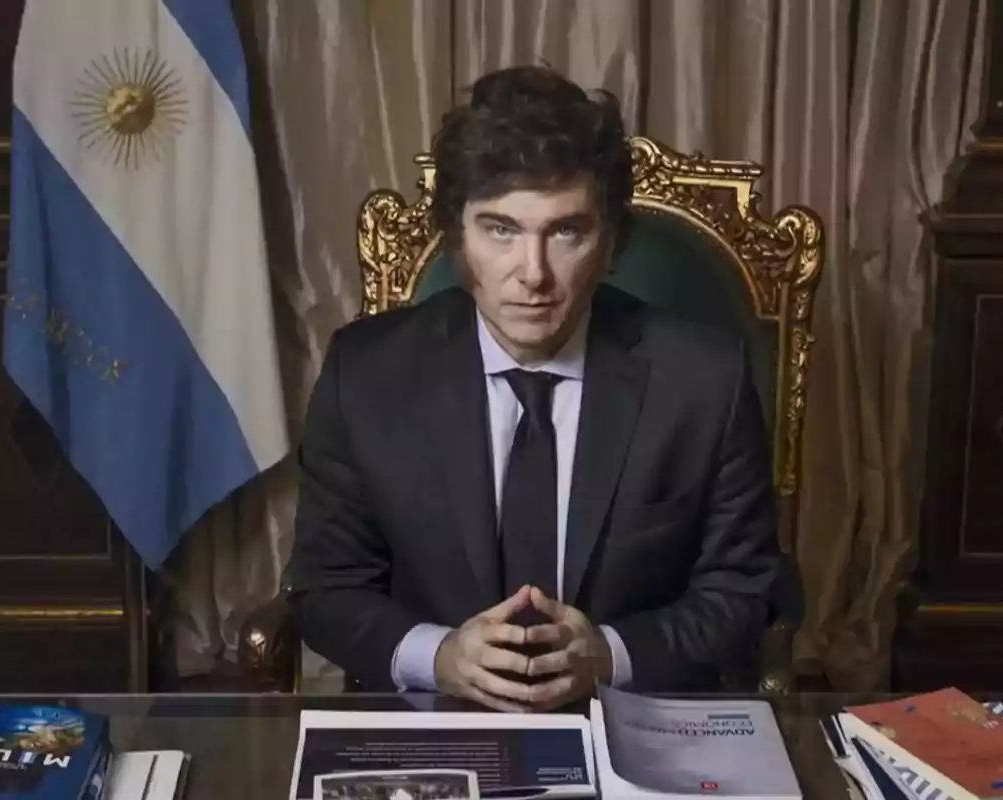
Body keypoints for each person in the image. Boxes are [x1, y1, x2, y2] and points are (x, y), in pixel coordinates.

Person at [288, 65, 779, 712]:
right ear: (457, 241)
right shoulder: (367, 372)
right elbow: (324, 587)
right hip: (439, 717)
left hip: (634, 716)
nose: (534, 274)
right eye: (501, 230)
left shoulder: (704, 378)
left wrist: (610, 653)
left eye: (566, 231)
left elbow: (746, 590)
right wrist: (437, 656)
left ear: (611, 245)